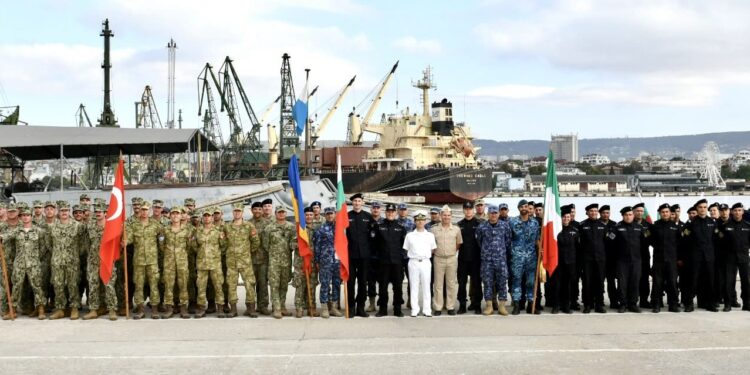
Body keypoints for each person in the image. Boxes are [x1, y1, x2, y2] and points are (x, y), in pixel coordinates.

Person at [0, 207, 48, 320]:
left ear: (31, 217)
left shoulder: (38, 231)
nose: (25, 217)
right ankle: (13, 310)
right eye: (23, 215)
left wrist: (35, 257)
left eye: (28, 215)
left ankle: (41, 309)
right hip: (19, 264)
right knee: (16, 286)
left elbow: (43, 247)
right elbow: (5, 237)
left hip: (34, 264)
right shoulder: (16, 231)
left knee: (37, 286)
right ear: (21, 217)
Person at [82, 204, 119, 321]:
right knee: (93, 285)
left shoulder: (111, 227)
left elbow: (116, 243)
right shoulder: (90, 226)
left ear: (105, 213)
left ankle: (112, 309)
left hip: (107, 260)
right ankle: (93, 309)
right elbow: (87, 242)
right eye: (96, 211)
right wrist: (92, 254)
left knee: (109, 286)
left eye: (100, 211)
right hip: (93, 260)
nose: (98, 213)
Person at [681, 199, 719, 312]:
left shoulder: (712, 222)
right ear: (696, 209)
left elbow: (716, 240)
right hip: (695, 258)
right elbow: (685, 242)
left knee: (710, 281)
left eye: (704, 207)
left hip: (709, 257)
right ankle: (689, 304)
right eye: (700, 207)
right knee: (692, 281)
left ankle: (709, 303)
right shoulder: (691, 223)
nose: (703, 209)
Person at [224, 203, 260, 318]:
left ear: (242, 212)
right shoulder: (227, 227)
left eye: (239, 211)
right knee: (231, 285)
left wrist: (247, 252)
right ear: (233, 212)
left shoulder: (249, 226)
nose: (237, 213)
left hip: (245, 261)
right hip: (231, 261)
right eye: (235, 211)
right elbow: (223, 243)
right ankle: (233, 309)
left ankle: (251, 308)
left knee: (249, 284)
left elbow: (256, 242)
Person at [476, 204, 511, 316]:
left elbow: (508, 241)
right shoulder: (482, 227)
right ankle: (489, 306)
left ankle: (502, 306)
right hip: (487, 261)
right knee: (487, 283)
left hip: (501, 260)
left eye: (495, 213)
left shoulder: (505, 226)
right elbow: (479, 242)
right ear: (488, 214)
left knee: (502, 282)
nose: (493, 215)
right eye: (491, 213)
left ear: (498, 214)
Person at [262, 206, 296, 319]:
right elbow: (266, 245)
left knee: (284, 285)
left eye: (283, 212)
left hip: (286, 261)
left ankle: (282, 306)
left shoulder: (291, 227)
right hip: (274, 262)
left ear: (286, 214)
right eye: (279, 212)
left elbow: (293, 244)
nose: (281, 214)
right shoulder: (269, 228)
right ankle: (276, 308)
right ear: (275, 214)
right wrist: (275, 253)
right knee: (274, 285)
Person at [609, 206, 646, 313]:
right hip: (622, 261)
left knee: (634, 282)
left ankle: (633, 304)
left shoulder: (639, 228)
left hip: (636, 260)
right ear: (623, 216)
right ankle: (623, 304)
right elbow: (610, 242)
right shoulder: (617, 227)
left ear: (633, 215)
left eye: (630, 214)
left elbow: (644, 244)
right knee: (622, 283)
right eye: (626, 215)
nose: (628, 217)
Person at [374, 203, 407, 317]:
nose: (390, 214)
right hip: (383, 262)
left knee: (398, 287)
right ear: (385, 212)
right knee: (383, 287)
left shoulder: (401, 227)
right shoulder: (379, 226)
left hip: (397, 262)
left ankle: (397, 309)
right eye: (388, 212)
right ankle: (383, 309)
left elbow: (404, 245)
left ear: (396, 213)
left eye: (392, 212)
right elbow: (375, 244)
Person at [160, 206, 193, 319]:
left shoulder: (187, 230)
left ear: (180, 216)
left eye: (177, 214)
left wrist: (180, 255)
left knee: (183, 285)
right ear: (170, 216)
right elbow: (162, 246)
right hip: (169, 262)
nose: (175, 216)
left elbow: (189, 246)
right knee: (169, 285)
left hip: (182, 262)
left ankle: (183, 308)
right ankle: (169, 308)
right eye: (173, 214)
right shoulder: (165, 230)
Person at [509, 200, 541, 315]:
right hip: (516, 257)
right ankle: (516, 305)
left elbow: (537, 240)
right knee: (516, 281)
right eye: (522, 206)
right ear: (518, 208)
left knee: (530, 282)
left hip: (531, 257)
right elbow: (508, 240)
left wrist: (540, 251)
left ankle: (531, 305)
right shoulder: (512, 222)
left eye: (526, 206)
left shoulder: (535, 223)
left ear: (528, 208)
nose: (524, 208)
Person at [647, 203, 680, 313]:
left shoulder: (675, 227)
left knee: (672, 282)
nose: (665, 214)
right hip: (659, 260)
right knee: (657, 283)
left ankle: (673, 304)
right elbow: (649, 240)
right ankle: (656, 304)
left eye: (667, 212)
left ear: (670, 213)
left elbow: (680, 244)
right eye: (663, 212)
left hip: (672, 260)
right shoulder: (654, 226)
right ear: (660, 213)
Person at [194, 209, 227, 318]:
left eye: (209, 216)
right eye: (205, 216)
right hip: (202, 264)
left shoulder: (218, 231)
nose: (207, 218)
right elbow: (194, 246)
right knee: (201, 287)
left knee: (218, 286)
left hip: (215, 264)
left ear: (212, 217)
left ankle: (220, 308)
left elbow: (223, 246)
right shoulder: (197, 231)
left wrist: (215, 255)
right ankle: (201, 308)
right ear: (202, 218)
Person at [430, 205, 462, 316]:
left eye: (448, 215)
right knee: (438, 284)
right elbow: (431, 244)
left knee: (451, 284)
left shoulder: (456, 229)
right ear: (440, 216)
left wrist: (451, 252)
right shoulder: (434, 229)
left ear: (451, 216)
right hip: (438, 259)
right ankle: (438, 307)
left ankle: (450, 306)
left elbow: (458, 243)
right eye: (444, 215)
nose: (446, 217)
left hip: (452, 259)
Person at [718, 203, 750, 312]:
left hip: (744, 257)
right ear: (732, 212)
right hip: (729, 257)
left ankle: (747, 303)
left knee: (746, 281)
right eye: (735, 210)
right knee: (729, 282)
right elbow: (720, 242)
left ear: (743, 212)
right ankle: (728, 303)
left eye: (739, 210)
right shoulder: (725, 226)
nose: (737, 212)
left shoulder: (747, 226)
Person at [346, 193, 374, 318]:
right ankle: (351, 307)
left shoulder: (368, 217)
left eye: (359, 201)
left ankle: (361, 307)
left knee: (363, 283)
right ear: (352, 203)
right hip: (350, 255)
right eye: (355, 201)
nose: (357, 203)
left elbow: (373, 236)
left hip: (364, 255)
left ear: (362, 202)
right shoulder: (346, 216)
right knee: (350, 283)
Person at [403, 212, 436, 317]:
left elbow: (433, 249)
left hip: (426, 262)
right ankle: (415, 309)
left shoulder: (430, 235)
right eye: (418, 220)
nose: (420, 222)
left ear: (425, 221)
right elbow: (406, 249)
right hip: (413, 262)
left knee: (427, 286)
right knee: (414, 286)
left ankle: (427, 309)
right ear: (415, 221)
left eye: (422, 220)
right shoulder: (409, 235)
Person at [313, 207, 343, 318]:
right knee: (325, 284)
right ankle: (325, 308)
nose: (330, 216)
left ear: (335, 214)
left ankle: (334, 307)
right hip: (325, 261)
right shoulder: (320, 229)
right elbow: (317, 247)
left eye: (332, 214)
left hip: (338, 261)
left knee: (336, 284)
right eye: (328, 214)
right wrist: (317, 260)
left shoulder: (340, 229)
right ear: (325, 215)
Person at [548, 206, 579, 314]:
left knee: (567, 285)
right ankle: (556, 305)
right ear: (560, 218)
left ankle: (566, 306)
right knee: (556, 285)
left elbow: (578, 248)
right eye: (564, 217)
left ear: (570, 218)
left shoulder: (575, 231)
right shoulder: (556, 231)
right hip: (558, 263)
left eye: (568, 217)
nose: (566, 219)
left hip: (570, 263)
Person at [579, 203, 607, 314]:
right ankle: (587, 305)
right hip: (587, 260)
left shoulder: (602, 225)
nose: (594, 213)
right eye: (591, 211)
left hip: (600, 259)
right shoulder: (582, 225)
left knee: (600, 282)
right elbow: (579, 243)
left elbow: (607, 243)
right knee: (587, 282)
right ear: (587, 213)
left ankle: (599, 305)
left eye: (595, 211)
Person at [456, 201, 483, 314]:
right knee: (461, 284)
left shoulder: (480, 223)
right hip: (462, 259)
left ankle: (477, 305)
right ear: (463, 210)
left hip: (476, 259)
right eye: (466, 209)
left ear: (473, 210)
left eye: (470, 209)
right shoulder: (458, 225)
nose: (468, 211)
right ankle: (462, 305)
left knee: (477, 283)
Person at [293, 207, 319, 318]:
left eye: (310, 215)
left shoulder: (317, 229)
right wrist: (301, 246)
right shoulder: (298, 229)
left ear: (313, 216)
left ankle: (311, 308)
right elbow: (291, 244)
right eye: (306, 215)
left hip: (313, 263)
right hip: (300, 263)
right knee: (300, 286)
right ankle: (299, 308)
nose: (308, 217)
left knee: (312, 286)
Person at [250, 201, 271, 315]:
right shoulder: (248, 224)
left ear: (262, 210)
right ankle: (251, 306)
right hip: (251, 259)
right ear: (251, 210)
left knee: (263, 283)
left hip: (263, 259)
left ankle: (263, 306)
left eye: (259, 209)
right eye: (255, 209)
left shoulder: (267, 224)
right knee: (251, 284)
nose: (257, 211)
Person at [600, 205, 619, 309]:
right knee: (599, 281)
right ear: (600, 213)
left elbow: (615, 239)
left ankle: (614, 301)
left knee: (611, 282)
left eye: (607, 213)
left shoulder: (614, 225)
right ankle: (599, 301)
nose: (605, 215)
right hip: (600, 258)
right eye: (603, 213)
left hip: (611, 258)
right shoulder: (597, 223)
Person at [366, 201, 383, 313]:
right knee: (371, 282)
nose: (375, 210)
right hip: (370, 256)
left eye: (377, 208)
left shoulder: (385, 222)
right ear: (371, 209)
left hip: (382, 257)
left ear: (380, 209)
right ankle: (372, 304)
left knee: (383, 281)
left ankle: (382, 302)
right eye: (374, 208)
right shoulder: (367, 221)